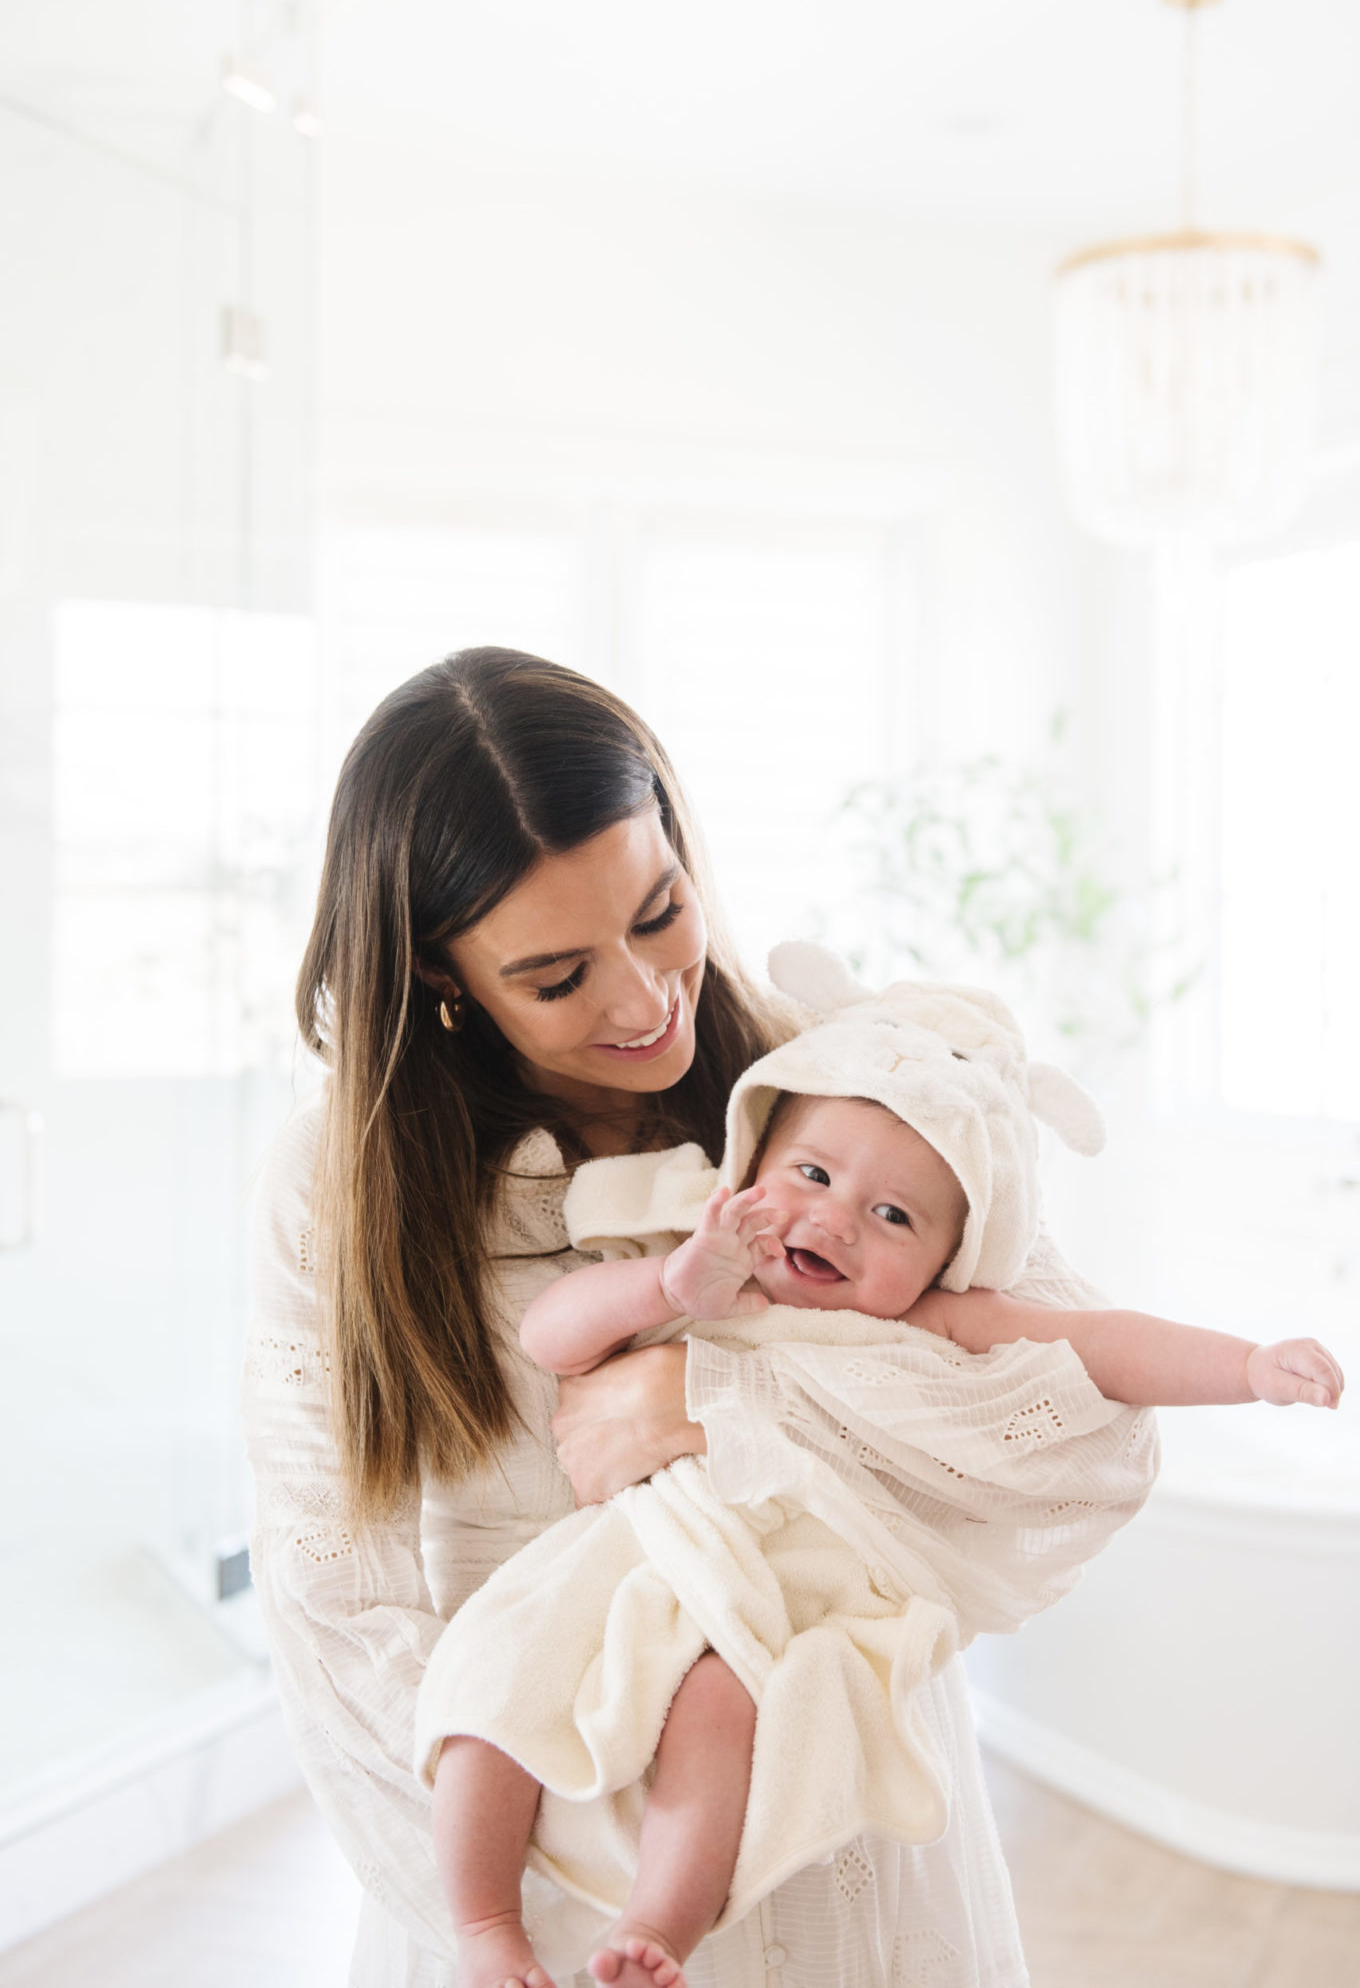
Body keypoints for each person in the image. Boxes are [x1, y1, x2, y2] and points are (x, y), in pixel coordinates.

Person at [243, 646, 1113, 1988]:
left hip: (831, 1814)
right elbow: (332, 1596)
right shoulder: (338, 1184)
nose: (645, 999)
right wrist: (540, 1896)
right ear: (442, 972)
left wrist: (723, 1405)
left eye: (660, 911)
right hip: (515, 1834)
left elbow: (1081, 1429)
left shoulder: (846, 1081)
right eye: (555, 975)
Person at [416, 951, 1343, 1988]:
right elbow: (553, 1337)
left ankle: (658, 1929)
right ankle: (482, 1921)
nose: (834, 1220)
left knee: (723, 1705)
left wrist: (1250, 1366)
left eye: (893, 1216)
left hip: (798, 1591)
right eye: (811, 1175)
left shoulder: (937, 1320)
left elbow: (1102, 1344)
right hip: (650, 1549)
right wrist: (669, 1284)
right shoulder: (712, 1268)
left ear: (949, 1257)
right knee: (499, 1661)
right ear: (753, 1160)